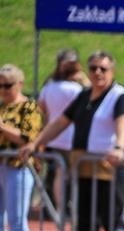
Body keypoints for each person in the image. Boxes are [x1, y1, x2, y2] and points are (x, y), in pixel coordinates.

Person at [21, 51, 124, 231]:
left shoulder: (119, 95)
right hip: (81, 167)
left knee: (114, 220)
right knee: (84, 220)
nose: (97, 73)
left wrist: (119, 147)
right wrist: (35, 142)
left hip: (108, 168)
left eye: (103, 69)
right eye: (93, 68)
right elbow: (61, 122)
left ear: (112, 71)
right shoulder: (83, 96)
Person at [0, 64, 44, 231]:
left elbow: (29, 138)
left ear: (19, 84)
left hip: (18, 168)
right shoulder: (1, 107)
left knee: (17, 220)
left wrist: (2, 127)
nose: (3, 90)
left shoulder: (30, 107)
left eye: (8, 85)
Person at [36, 49, 88, 218]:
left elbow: (40, 111)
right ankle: (71, 208)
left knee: (58, 173)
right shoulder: (78, 90)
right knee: (74, 175)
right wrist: (85, 80)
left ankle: (59, 208)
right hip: (73, 138)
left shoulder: (49, 87)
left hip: (54, 137)